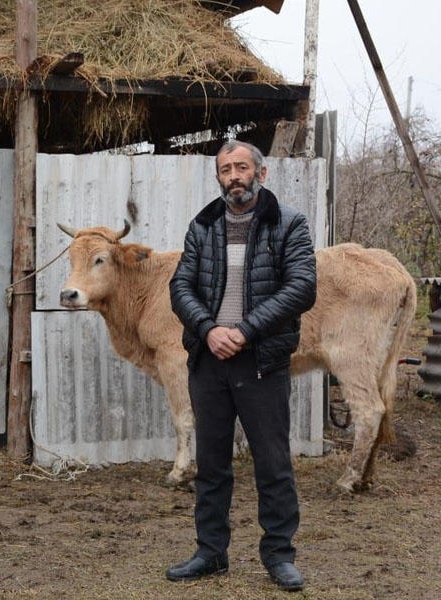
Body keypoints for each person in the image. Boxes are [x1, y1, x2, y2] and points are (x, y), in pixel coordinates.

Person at [167, 140, 317, 592]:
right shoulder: (203, 224)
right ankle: (210, 553)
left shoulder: (288, 223)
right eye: (226, 168)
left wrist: (245, 330)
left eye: (241, 167)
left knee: (272, 463)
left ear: (261, 173)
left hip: (261, 361)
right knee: (211, 464)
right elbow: (181, 286)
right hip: (208, 360)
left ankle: (278, 555)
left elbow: (302, 287)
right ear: (219, 176)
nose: (234, 175)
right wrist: (209, 329)